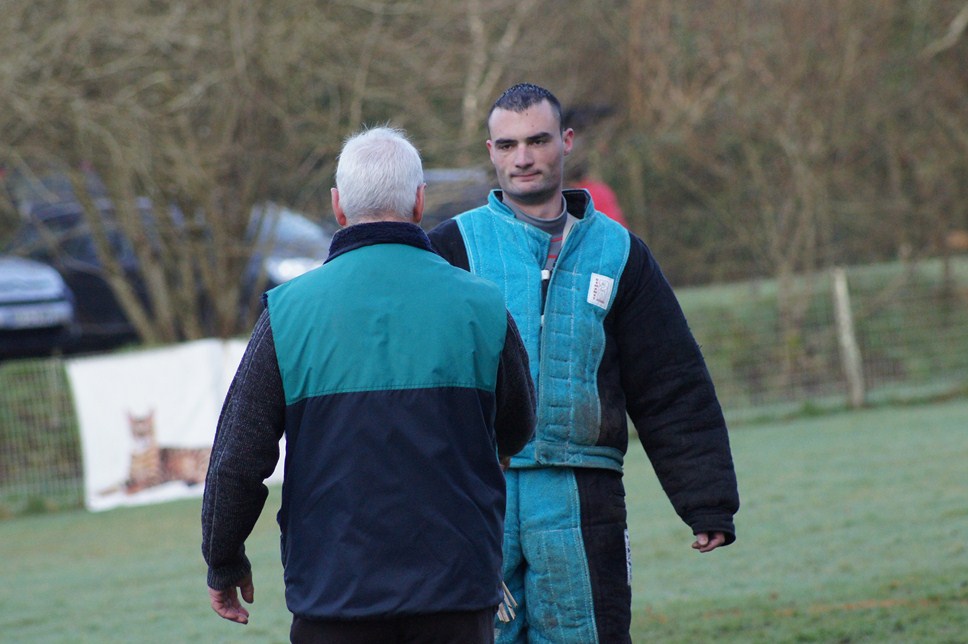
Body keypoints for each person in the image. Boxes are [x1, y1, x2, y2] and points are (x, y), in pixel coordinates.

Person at [428, 83, 740, 643]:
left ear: (566, 142)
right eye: (507, 145)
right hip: (478, 497)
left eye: (538, 140)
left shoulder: (620, 253)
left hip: (583, 495)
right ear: (491, 151)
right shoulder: (451, 249)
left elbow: (670, 381)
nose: (522, 157)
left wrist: (707, 498)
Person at [201, 126, 536, 644]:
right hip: (456, 595)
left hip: (335, 597)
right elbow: (518, 427)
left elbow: (236, 459)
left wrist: (223, 561)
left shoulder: (287, 314)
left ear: (338, 207)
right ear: (420, 202)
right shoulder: (484, 306)